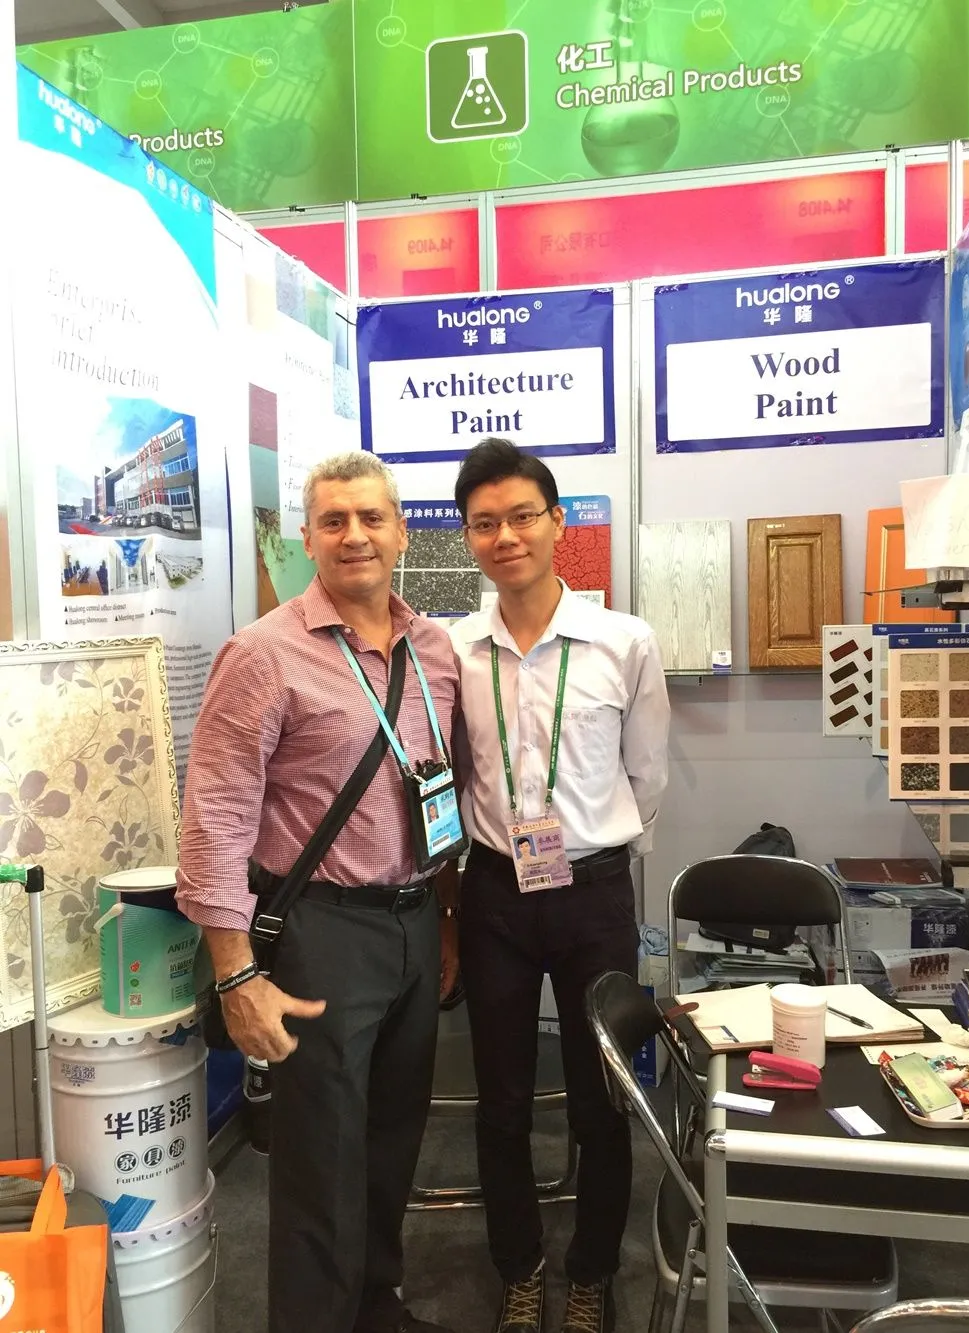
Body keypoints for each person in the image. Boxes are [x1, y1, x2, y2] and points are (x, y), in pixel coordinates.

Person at [176, 452, 461, 1333]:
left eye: (371, 517)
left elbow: (442, 789)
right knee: (320, 1167)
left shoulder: (435, 649)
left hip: (415, 921)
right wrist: (236, 975)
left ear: (402, 532)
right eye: (333, 520)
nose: (354, 535)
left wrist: (446, 924)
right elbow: (214, 821)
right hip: (322, 933)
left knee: (392, 1141)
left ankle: (376, 1307)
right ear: (307, 537)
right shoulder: (263, 654)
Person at [448, 439, 669, 1333]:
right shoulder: (453, 650)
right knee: (500, 1100)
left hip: (591, 896)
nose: (506, 536)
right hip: (495, 895)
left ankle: (591, 1274)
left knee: (598, 1097)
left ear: (556, 521)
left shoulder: (624, 641)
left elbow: (647, 776)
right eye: (484, 523)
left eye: (522, 516)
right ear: (469, 536)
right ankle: (520, 1268)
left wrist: (596, 848)